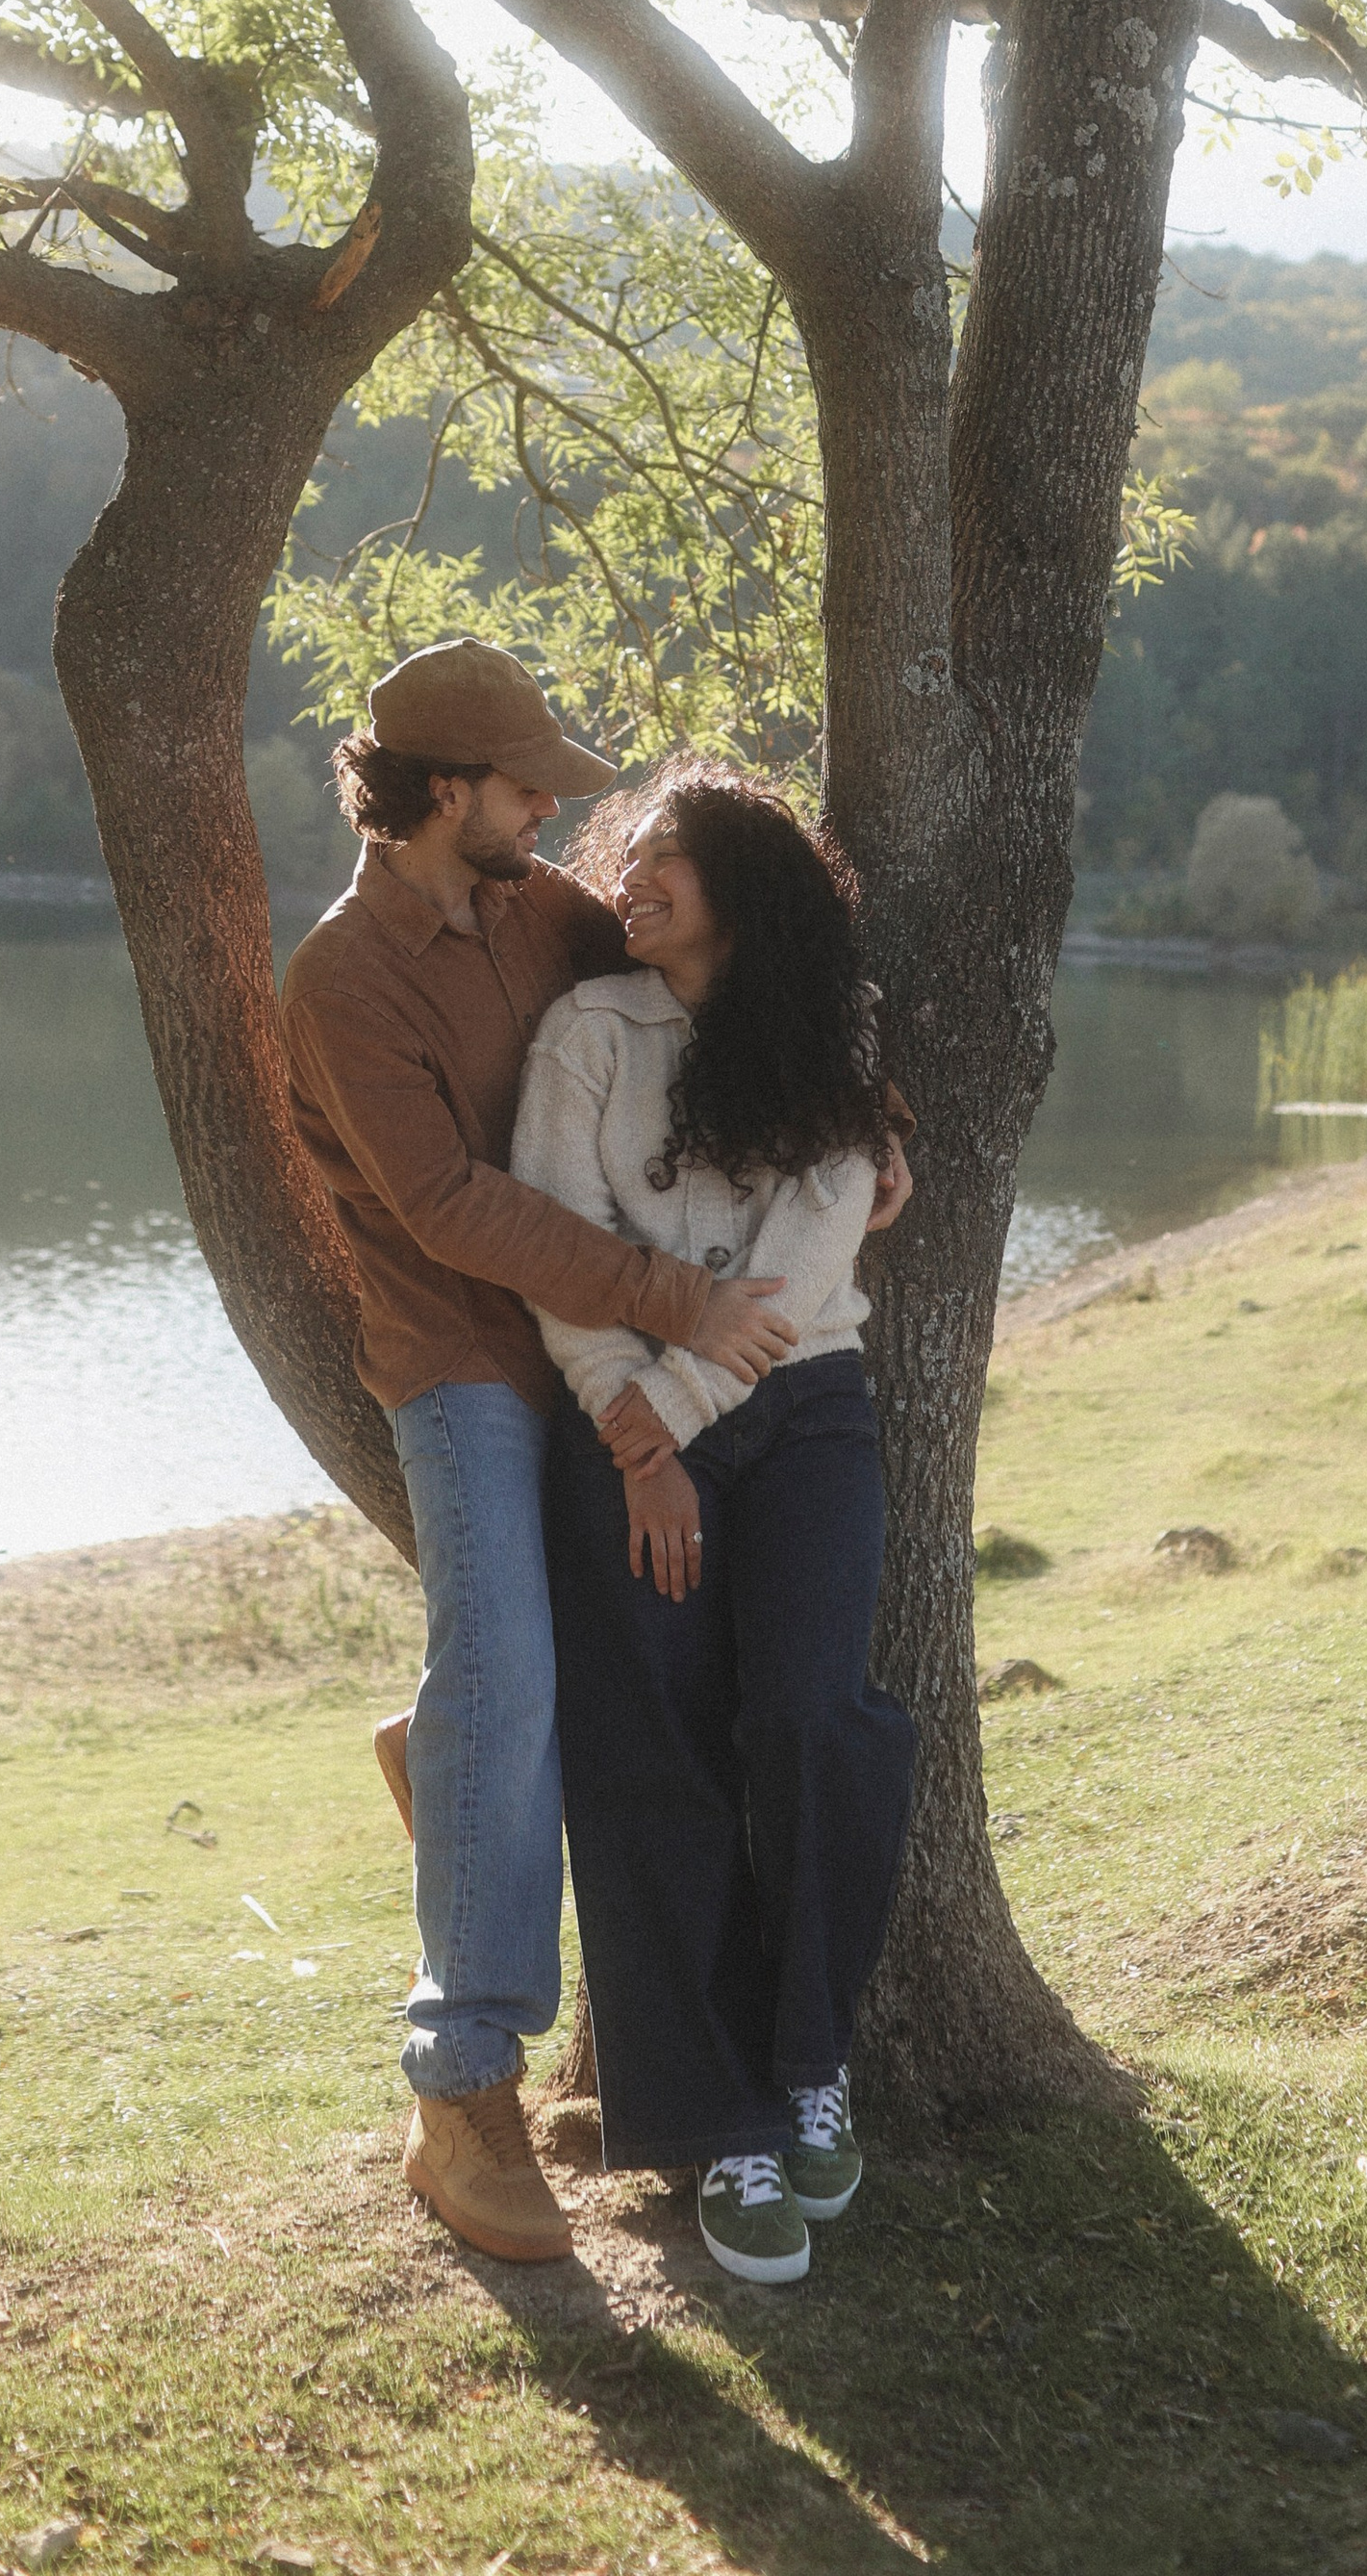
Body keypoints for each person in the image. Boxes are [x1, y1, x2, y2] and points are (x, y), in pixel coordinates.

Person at [280, 642, 818, 2269]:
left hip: (608, 1354)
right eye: (527, 789)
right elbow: (450, 1207)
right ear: (447, 793)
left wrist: (874, 1133)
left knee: (613, 1684)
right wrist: (677, 1299)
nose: (551, 815)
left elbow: (732, 987)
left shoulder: (547, 914)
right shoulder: (342, 982)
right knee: (513, 1673)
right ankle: (461, 2087)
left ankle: (452, 1750)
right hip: (467, 1362)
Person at [510, 761, 918, 2287]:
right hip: (619, 1415)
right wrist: (636, 1433)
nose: (632, 880)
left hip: (802, 1415)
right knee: (652, 1759)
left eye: (664, 859)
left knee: (814, 1718)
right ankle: (722, 2127)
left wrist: (665, 1425)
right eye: (629, 855)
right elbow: (558, 1250)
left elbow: (812, 1251)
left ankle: (810, 2063)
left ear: (741, 888)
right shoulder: (586, 1034)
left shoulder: (828, 1027)